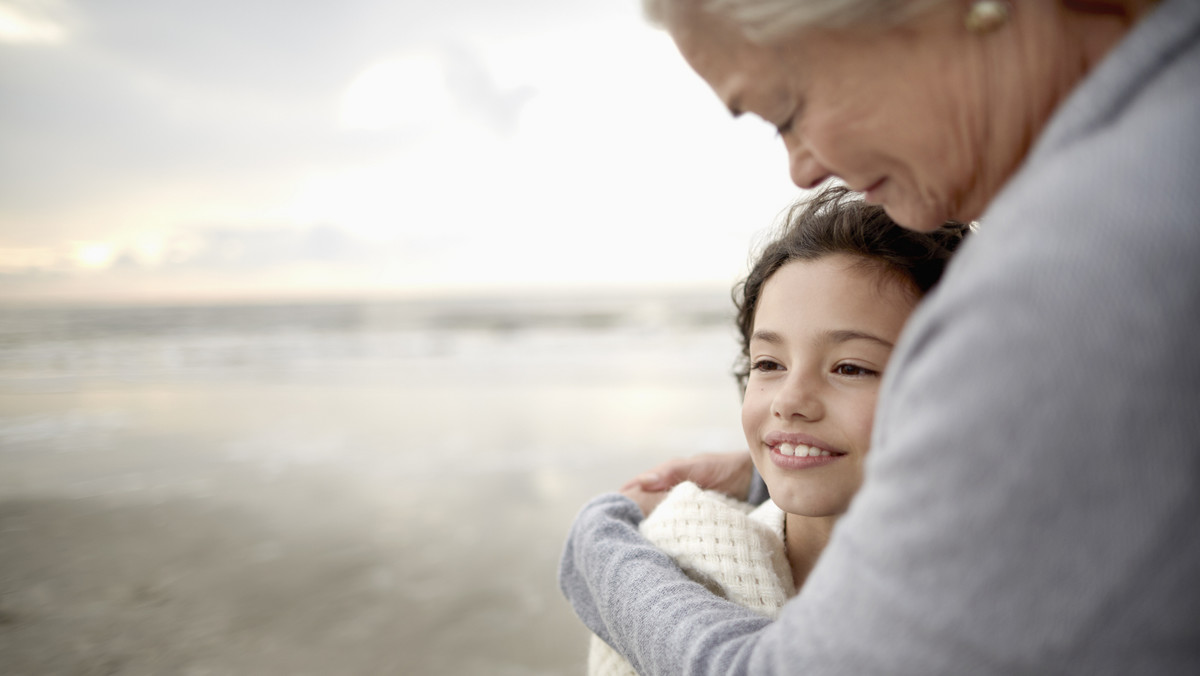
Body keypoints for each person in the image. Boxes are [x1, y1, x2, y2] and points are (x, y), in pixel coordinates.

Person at [560, 0, 1200, 673]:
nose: (801, 168)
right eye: (766, 363)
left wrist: (595, 545)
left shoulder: (1082, 269)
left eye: (787, 108)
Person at [588, 187, 968, 675]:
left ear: (961, 391)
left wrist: (596, 534)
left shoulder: (1003, 601)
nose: (789, 400)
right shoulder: (683, 553)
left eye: (851, 368)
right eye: (768, 363)